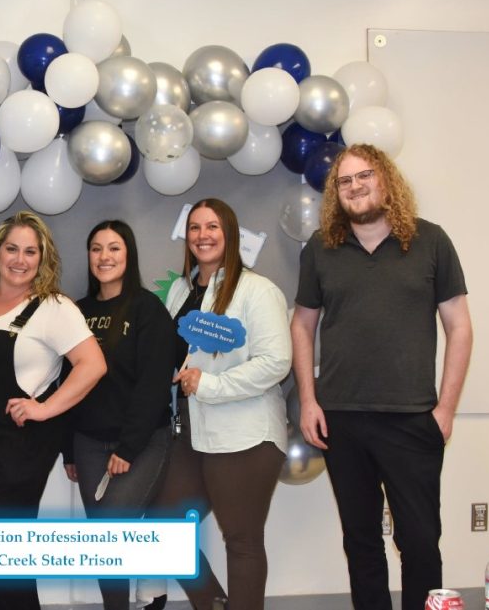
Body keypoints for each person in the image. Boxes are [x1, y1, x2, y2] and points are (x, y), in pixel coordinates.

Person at [290, 144, 472, 610]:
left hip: (412, 419)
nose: (355, 187)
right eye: (344, 181)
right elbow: (302, 324)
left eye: (363, 176)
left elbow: (460, 327)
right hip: (341, 420)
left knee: (420, 543)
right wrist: (309, 402)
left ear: (385, 180)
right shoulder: (320, 248)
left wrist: (445, 409)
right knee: (361, 542)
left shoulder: (431, 241)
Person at [0, 210, 106, 610]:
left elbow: (93, 365)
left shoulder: (54, 307)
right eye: (12, 249)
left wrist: (45, 409)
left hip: (18, 451)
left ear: (43, 258)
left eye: (30, 252)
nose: (20, 260)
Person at [145, 198, 291, 610]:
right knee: (164, 527)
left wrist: (210, 385)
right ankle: (215, 603)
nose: (202, 235)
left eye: (212, 227)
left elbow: (276, 362)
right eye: (194, 228)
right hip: (190, 432)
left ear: (229, 234)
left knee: (241, 541)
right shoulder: (180, 290)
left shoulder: (257, 290)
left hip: (244, 435)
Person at [63, 220, 178, 610]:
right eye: (96, 248)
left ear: (128, 254)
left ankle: (149, 599)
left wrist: (129, 447)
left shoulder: (148, 309)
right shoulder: (76, 312)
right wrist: (70, 451)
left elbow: (153, 384)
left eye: (114, 248)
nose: (104, 256)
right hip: (89, 443)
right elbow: (67, 382)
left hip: (142, 442)